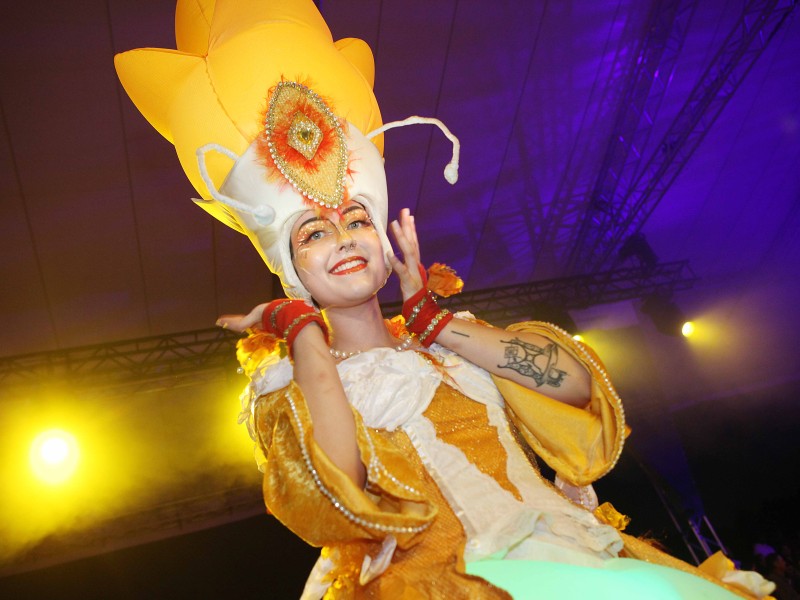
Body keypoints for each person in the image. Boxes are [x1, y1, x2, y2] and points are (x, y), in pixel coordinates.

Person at [115, 1, 774, 598]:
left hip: (568, 560)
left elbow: (578, 390)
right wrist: (305, 338)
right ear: (292, 271)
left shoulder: (452, 338)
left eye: (356, 220)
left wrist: (434, 324)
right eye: (313, 232)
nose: (344, 238)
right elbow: (338, 493)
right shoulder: (288, 384)